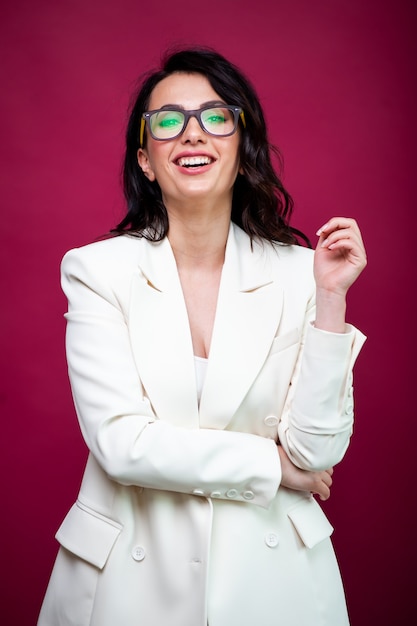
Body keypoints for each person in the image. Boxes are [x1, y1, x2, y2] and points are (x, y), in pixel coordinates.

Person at [37, 47, 367, 626]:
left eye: (216, 117)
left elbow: (316, 453)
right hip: (128, 583)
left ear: (243, 150)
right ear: (145, 158)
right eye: (168, 121)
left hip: (274, 582)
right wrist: (273, 469)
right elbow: (121, 444)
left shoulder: (302, 272)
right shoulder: (96, 271)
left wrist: (332, 299)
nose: (193, 134)